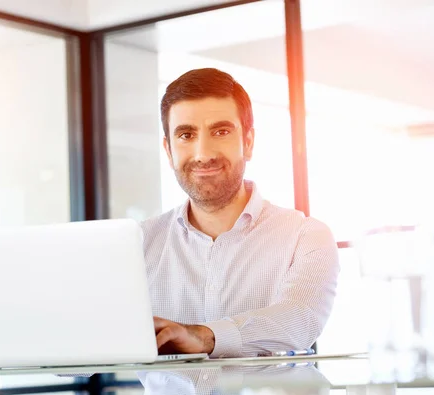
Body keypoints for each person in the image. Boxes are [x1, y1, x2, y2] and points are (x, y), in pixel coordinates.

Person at [141, 67, 340, 359]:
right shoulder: (139, 244)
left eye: (221, 131)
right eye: (186, 134)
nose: (203, 153)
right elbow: (74, 362)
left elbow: (301, 319)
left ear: (248, 142)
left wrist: (204, 337)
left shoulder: (306, 236)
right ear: (168, 151)